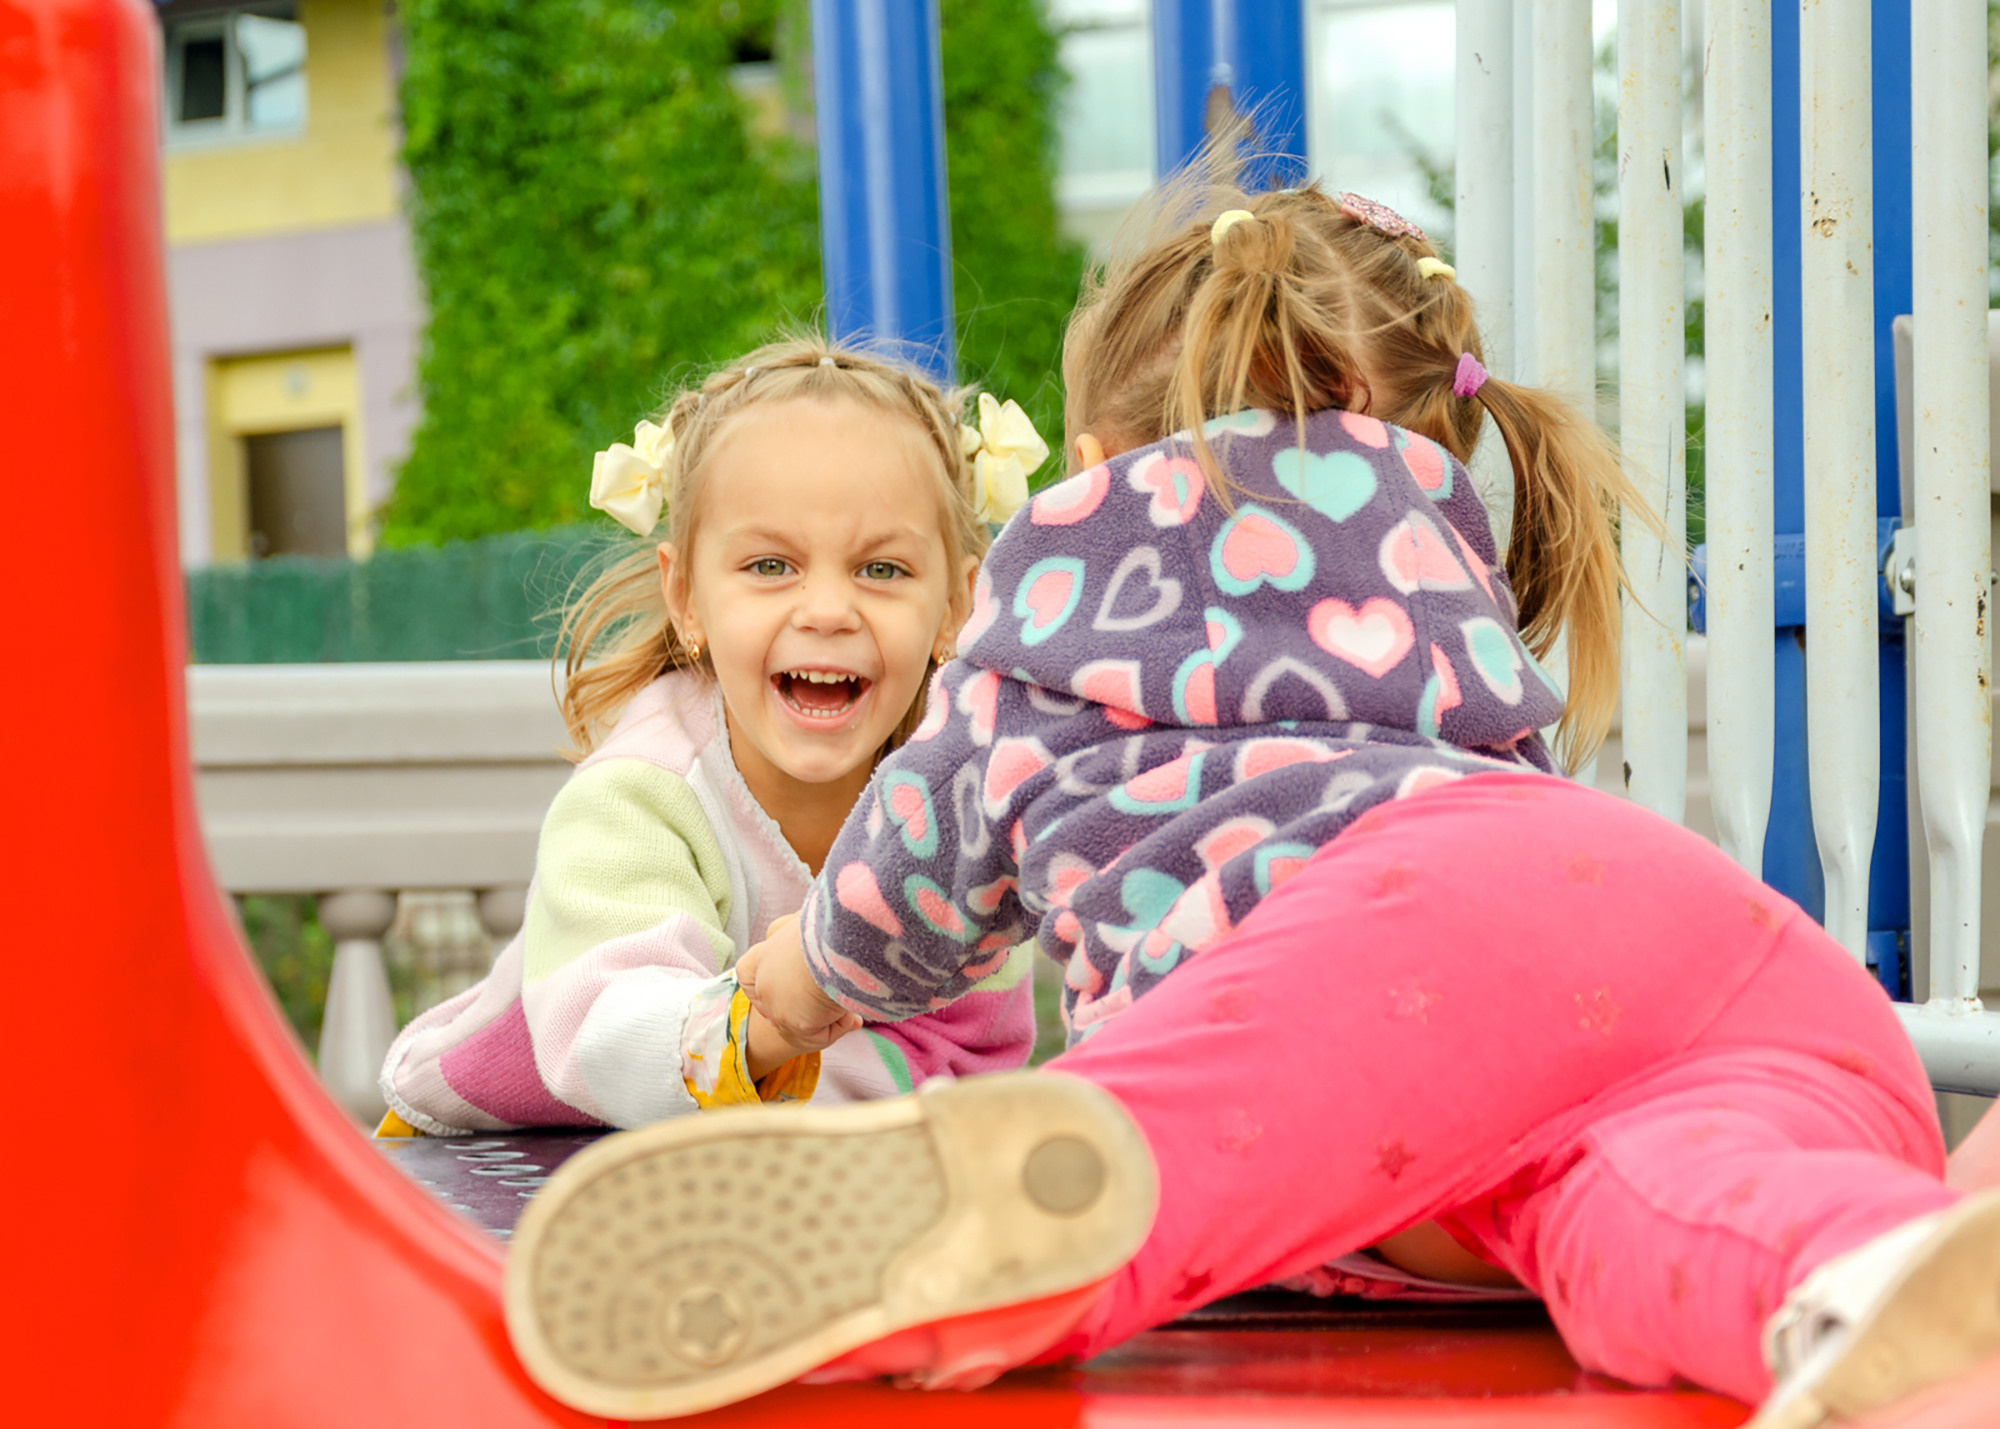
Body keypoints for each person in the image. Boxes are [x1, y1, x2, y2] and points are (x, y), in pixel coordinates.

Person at [501, 185, 2000, 1429]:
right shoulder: (1441, 587)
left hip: (1410, 941)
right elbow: (1530, 981)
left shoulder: (1054, 619)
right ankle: (1871, 1268)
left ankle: (976, 1249)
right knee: (1646, 1219)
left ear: (1091, 468)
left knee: (1203, 1106)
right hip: (1719, 961)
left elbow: (904, 891)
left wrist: (785, 990)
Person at [376, 336, 1047, 1133]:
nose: (827, 609)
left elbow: (967, 1055)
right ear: (687, 596)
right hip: (511, 1160)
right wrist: (775, 1022)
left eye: (882, 569)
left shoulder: (964, 800)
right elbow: (609, 1027)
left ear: (955, 608)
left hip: (764, 1170)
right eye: (771, 566)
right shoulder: (640, 794)